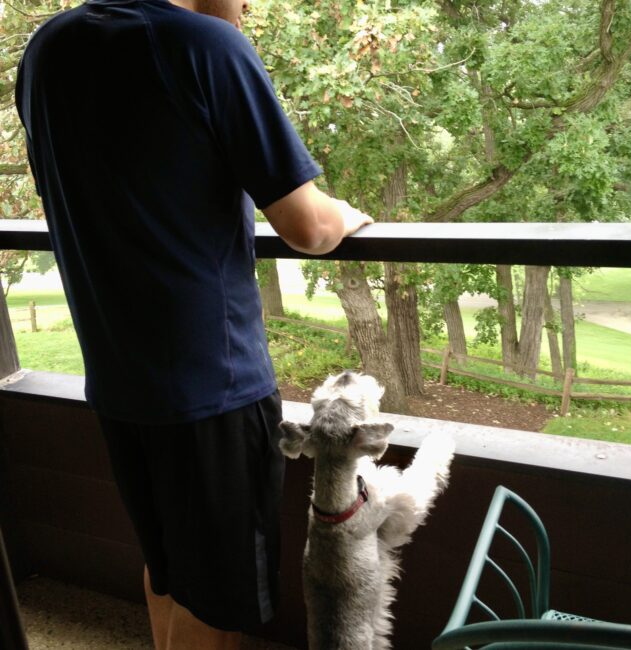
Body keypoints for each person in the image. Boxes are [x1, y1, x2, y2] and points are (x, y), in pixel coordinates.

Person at [15, 0, 373, 647]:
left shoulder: (47, 49)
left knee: (168, 570)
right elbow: (309, 226)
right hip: (213, 389)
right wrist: (344, 213)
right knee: (219, 604)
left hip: (118, 382)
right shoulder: (205, 48)